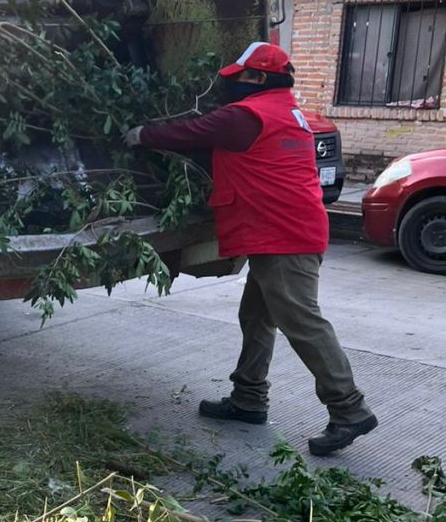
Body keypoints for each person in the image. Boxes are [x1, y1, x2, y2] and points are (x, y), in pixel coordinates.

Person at [124, 42, 377, 457]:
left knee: (301, 321)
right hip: (288, 230)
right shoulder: (286, 112)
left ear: (258, 78)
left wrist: (143, 136)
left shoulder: (247, 115)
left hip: (283, 236)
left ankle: (349, 408)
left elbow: (192, 133)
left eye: (237, 77)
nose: (230, 87)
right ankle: (248, 399)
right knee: (257, 316)